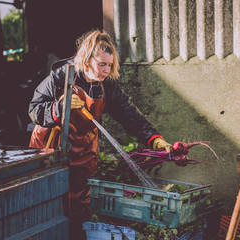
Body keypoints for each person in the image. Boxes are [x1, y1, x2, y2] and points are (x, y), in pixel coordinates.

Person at [28, 29, 171, 238]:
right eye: (101, 64)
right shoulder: (61, 76)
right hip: (51, 147)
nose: (106, 70)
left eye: (110, 65)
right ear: (86, 60)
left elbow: (130, 115)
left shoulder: (107, 86)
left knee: (79, 202)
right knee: (46, 199)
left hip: (84, 149)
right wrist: (60, 108)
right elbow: (34, 110)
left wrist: (155, 139)